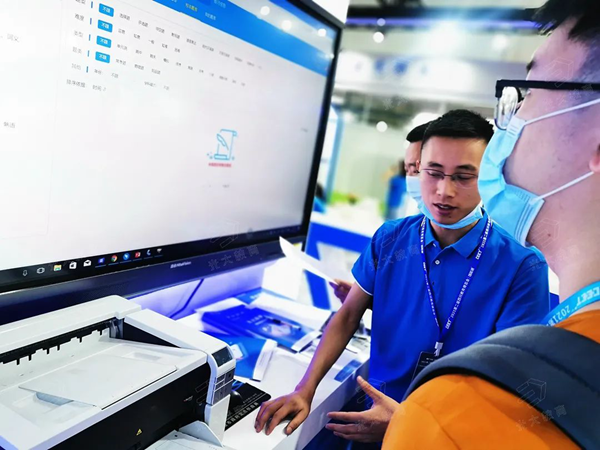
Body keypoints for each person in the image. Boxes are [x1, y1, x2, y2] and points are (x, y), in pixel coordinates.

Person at [254, 109, 551, 445]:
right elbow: (348, 315)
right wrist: (304, 390)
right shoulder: (391, 238)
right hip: (371, 424)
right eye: (433, 173)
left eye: (464, 176)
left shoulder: (521, 267)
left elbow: (510, 385)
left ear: (490, 177)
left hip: (449, 438)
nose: (444, 191)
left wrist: (411, 424)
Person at [382, 0, 600, 447]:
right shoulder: (395, 238)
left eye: (528, 95)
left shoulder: (451, 420)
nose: (511, 122)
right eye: (429, 172)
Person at [331, 122, 432, 304]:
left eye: (418, 170)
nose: (413, 178)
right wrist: (365, 301)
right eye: (408, 170)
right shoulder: (391, 234)